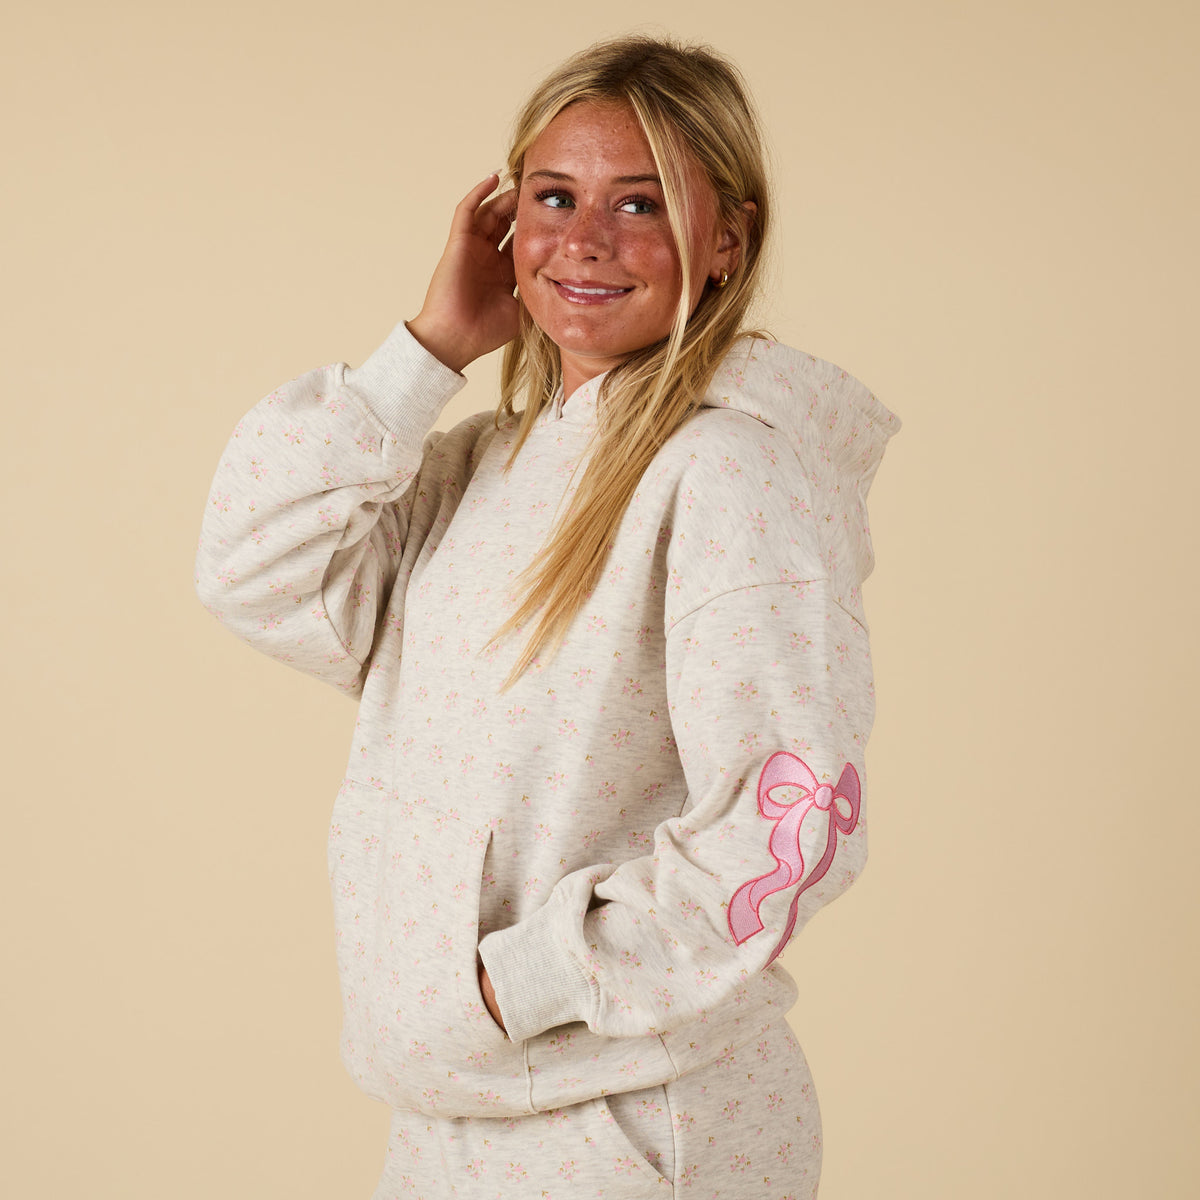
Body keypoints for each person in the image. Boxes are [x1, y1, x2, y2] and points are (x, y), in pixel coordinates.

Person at [196, 33, 898, 1199]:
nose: (582, 240)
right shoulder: (486, 465)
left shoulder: (727, 472)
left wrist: (507, 990)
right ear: (501, 222)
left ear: (728, 237)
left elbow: (785, 824)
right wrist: (426, 353)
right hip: (458, 1110)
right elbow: (253, 568)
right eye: (553, 197)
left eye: (642, 205)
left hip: (619, 1119)